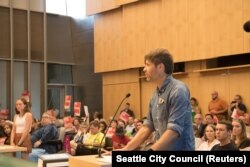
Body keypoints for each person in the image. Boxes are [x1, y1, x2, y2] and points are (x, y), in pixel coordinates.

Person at [122, 48, 194, 151]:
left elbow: (174, 130)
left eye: (147, 64)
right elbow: (148, 126)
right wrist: (125, 150)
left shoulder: (178, 90)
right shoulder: (154, 95)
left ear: (160, 67)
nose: (144, 69)